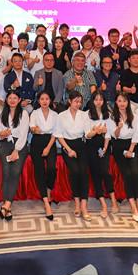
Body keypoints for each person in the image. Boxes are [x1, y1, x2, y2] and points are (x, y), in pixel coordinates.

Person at [56, 91, 93, 220]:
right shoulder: (61, 116)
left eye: (80, 102)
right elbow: (59, 135)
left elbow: (87, 134)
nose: (78, 104)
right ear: (69, 101)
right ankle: (77, 203)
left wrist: (94, 132)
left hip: (81, 145)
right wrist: (69, 150)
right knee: (75, 171)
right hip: (67, 146)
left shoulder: (84, 115)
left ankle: (84, 205)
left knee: (83, 172)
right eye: (76, 101)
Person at [0, 90, 30, 221]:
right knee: (6, 172)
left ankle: (7, 204)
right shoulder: (2, 113)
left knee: (15, 172)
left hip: (19, 145)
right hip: (5, 143)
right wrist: (1, 134)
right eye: (10, 98)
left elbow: (24, 133)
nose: (12, 100)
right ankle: (7, 207)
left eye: (15, 98)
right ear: (6, 100)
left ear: (19, 100)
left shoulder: (24, 113)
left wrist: (17, 150)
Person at [111, 93, 138, 221]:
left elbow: (136, 135)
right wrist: (118, 128)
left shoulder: (134, 116)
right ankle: (133, 207)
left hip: (132, 145)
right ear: (116, 102)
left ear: (128, 103)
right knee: (127, 174)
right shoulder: (112, 116)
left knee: (135, 173)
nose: (122, 103)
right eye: (119, 101)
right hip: (118, 147)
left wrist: (131, 150)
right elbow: (114, 136)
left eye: (124, 101)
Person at [86, 92, 118, 218]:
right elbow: (87, 135)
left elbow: (109, 134)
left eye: (101, 99)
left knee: (105, 172)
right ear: (92, 101)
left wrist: (105, 148)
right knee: (96, 174)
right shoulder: (87, 114)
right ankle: (103, 204)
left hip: (103, 146)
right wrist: (95, 131)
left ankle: (113, 201)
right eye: (96, 99)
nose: (98, 102)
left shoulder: (108, 114)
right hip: (91, 146)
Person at [29, 90, 58, 219]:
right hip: (37, 142)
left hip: (50, 142)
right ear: (39, 101)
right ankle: (46, 202)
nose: (44, 101)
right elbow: (32, 128)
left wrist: (48, 148)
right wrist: (35, 129)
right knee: (39, 170)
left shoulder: (55, 115)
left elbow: (56, 133)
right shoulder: (34, 113)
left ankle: (49, 191)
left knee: (52, 168)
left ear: (50, 100)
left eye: (47, 99)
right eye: (42, 99)